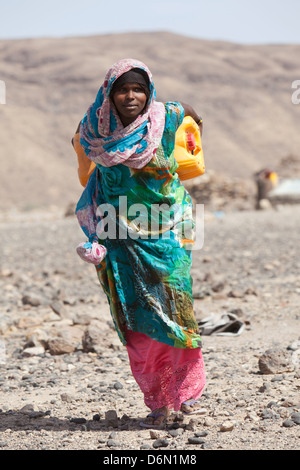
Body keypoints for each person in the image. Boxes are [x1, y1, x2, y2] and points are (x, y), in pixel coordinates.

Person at [73, 58, 206, 428]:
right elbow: (83, 166)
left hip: (167, 236)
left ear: (149, 92)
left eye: (139, 89)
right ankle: (160, 399)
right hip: (118, 237)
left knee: (177, 312)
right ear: (109, 93)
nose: (131, 96)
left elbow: (193, 114)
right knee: (137, 319)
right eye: (122, 89)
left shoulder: (169, 116)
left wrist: (197, 136)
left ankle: (184, 394)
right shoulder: (92, 129)